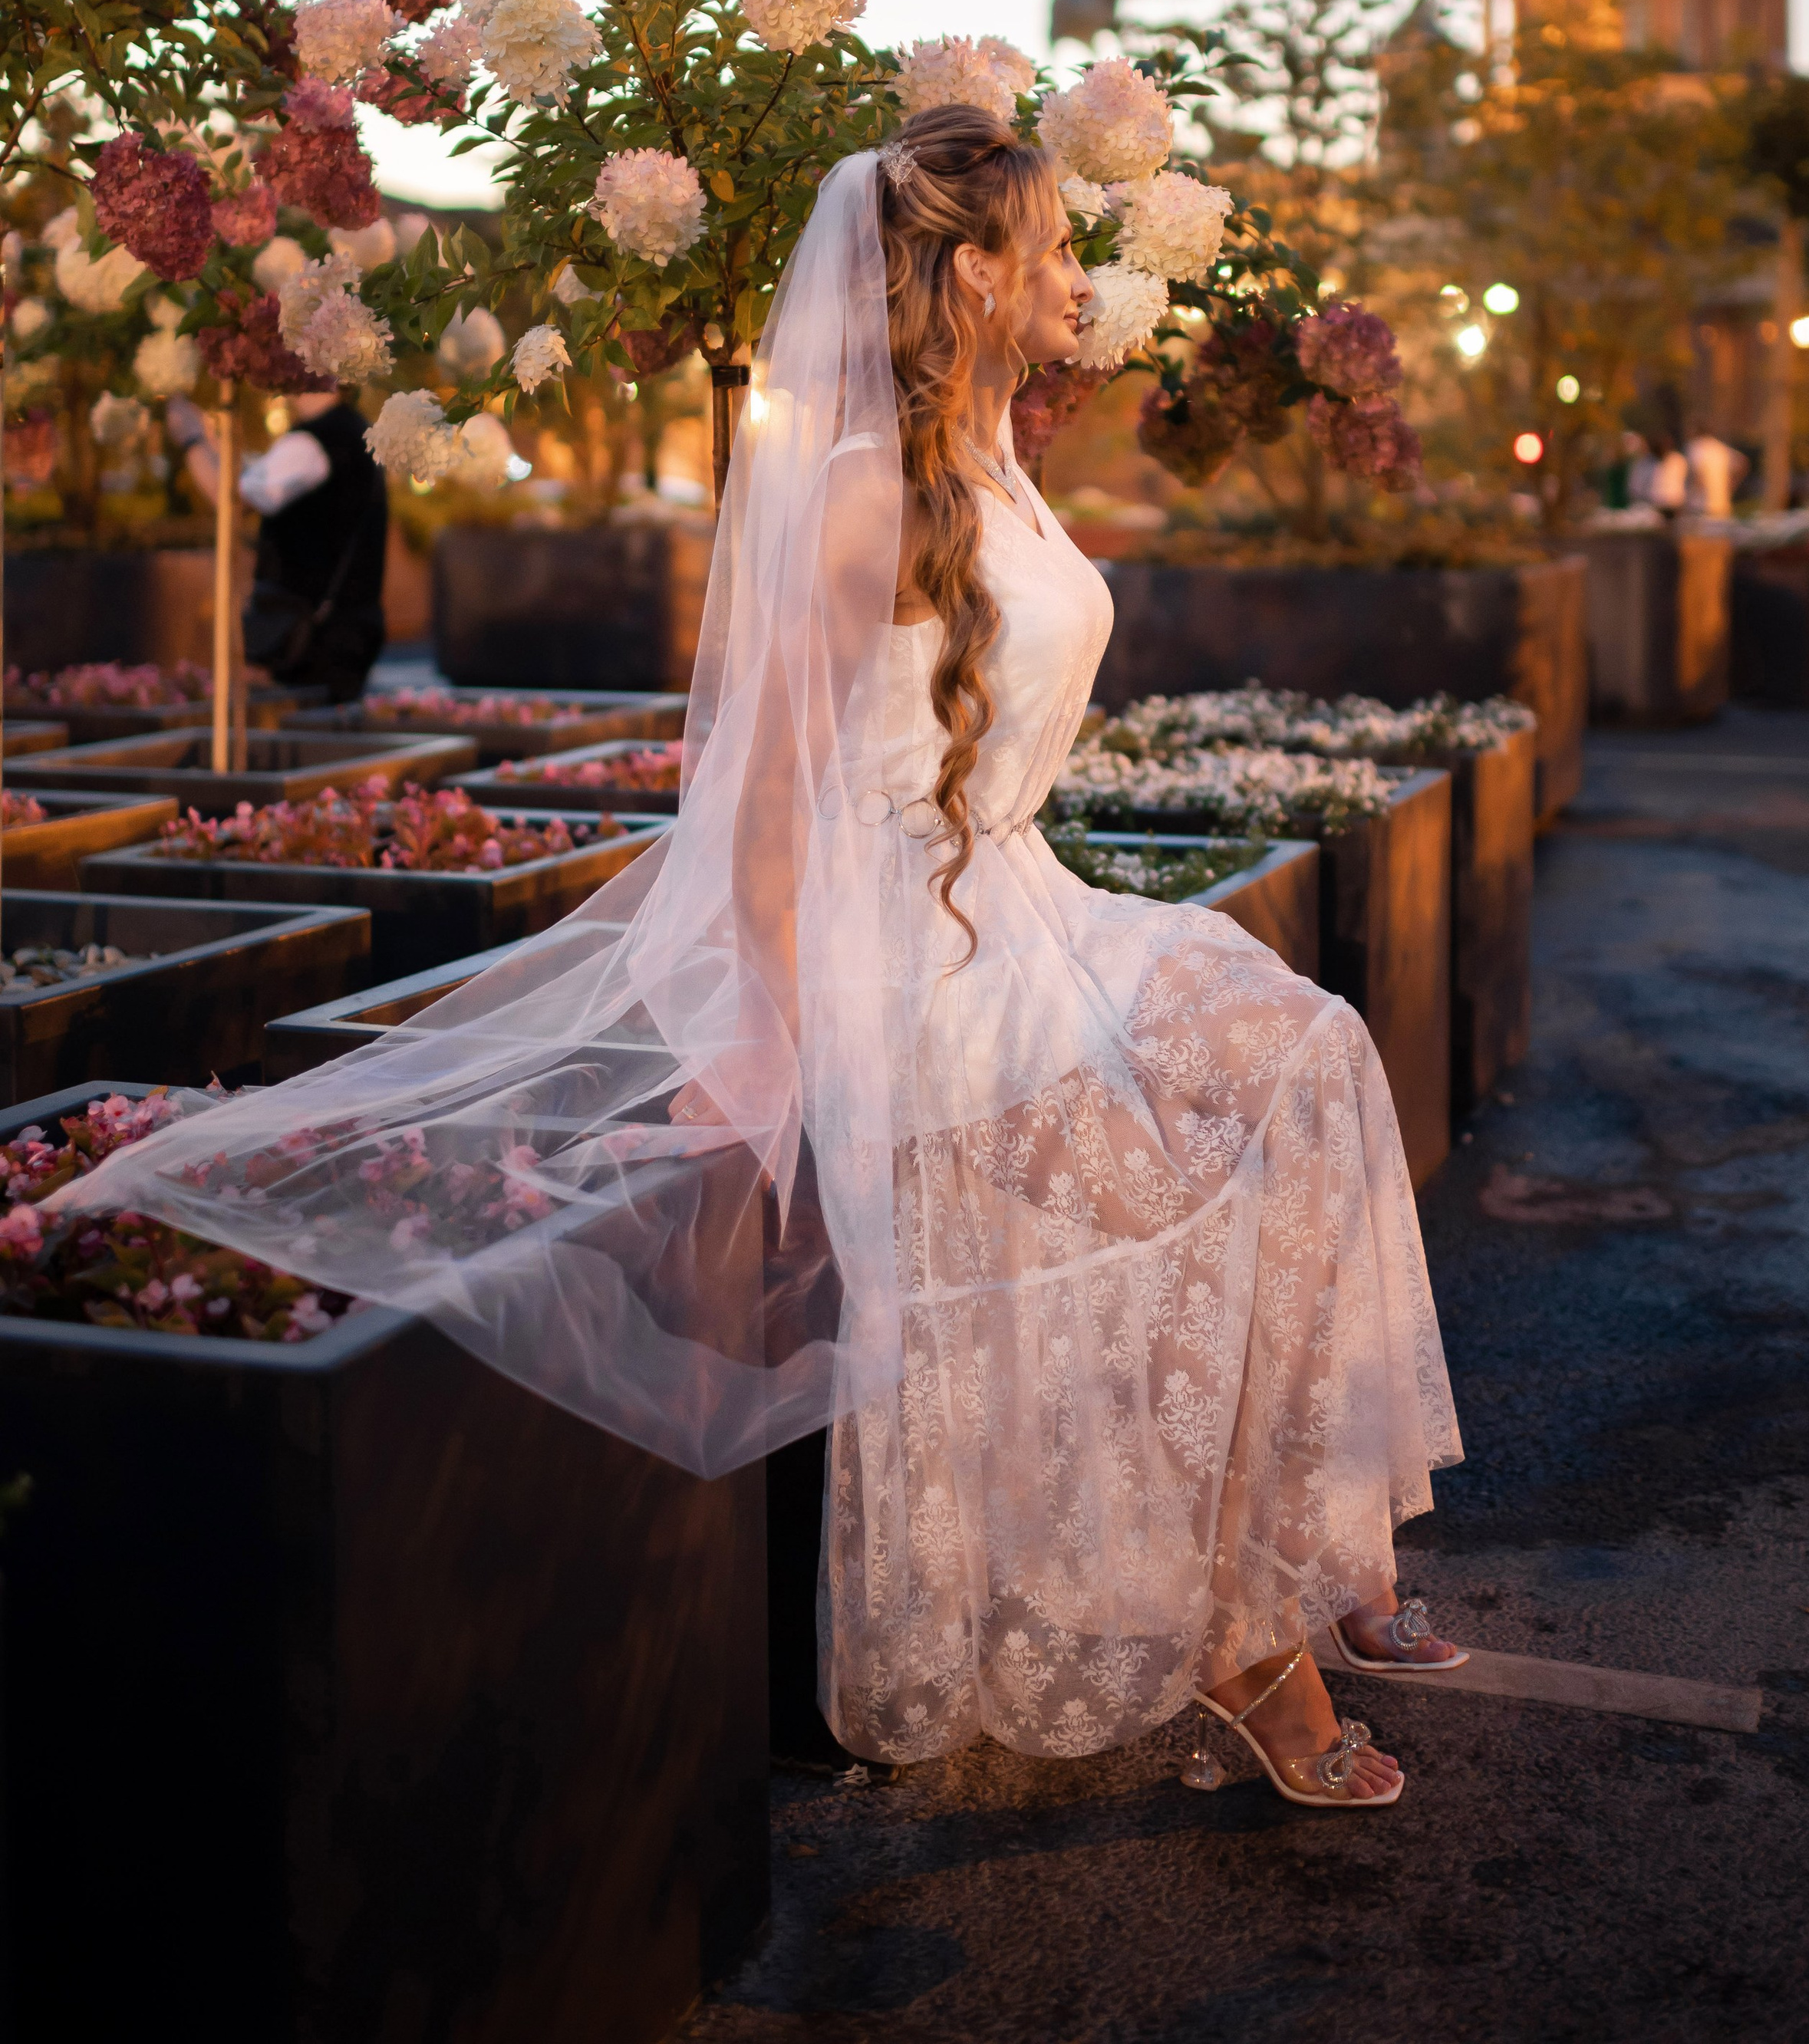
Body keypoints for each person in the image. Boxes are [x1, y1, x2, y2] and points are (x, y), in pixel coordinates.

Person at [58, 109, 1462, 1811]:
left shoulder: (998, 447)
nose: (1081, 274)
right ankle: (1251, 1643)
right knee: (1176, 1157)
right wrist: (779, 1051)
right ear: (969, 271)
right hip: (902, 952)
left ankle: (1296, 1555)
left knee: (1305, 1062)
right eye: (1052, 244)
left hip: (1009, 898)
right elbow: (763, 802)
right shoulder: (864, 492)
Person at [168, 385, 389, 703]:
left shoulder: (316, 439)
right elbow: (253, 482)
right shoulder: (351, 429)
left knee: (298, 738)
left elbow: (231, 499)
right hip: (339, 630)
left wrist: (192, 439)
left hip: (309, 640)